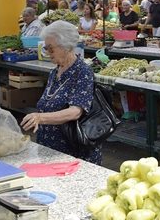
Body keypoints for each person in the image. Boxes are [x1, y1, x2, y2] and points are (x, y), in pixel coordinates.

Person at [20, 21, 101, 164]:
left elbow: (75, 111)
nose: (47, 53)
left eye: (50, 49)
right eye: (45, 48)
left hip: (73, 154)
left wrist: (40, 118)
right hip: (50, 149)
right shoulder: (54, 72)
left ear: (66, 47)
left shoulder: (82, 72)